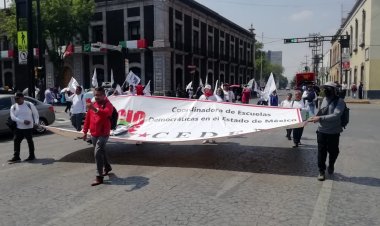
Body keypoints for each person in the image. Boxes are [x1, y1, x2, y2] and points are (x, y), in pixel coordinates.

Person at [308, 81, 345, 181]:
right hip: (321, 131)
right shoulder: (323, 99)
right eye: (325, 88)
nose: (325, 90)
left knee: (334, 151)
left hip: (333, 132)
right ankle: (321, 171)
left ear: (334, 90)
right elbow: (319, 112)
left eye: (328, 88)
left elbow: (336, 115)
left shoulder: (340, 101)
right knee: (321, 152)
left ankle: (331, 164)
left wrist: (320, 118)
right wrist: (314, 117)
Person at [83, 87, 114, 186]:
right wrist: (84, 131)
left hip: (104, 133)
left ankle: (99, 177)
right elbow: (87, 119)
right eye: (95, 95)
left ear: (104, 96)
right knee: (101, 151)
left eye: (99, 95)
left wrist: (94, 109)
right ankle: (107, 166)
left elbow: (106, 113)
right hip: (94, 133)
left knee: (97, 153)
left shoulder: (108, 104)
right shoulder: (93, 105)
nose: (97, 97)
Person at [8, 92, 39, 163]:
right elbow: (13, 117)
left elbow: (36, 114)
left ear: (23, 98)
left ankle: (31, 156)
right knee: (16, 141)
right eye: (15, 99)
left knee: (29, 141)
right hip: (18, 128)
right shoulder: (13, 107)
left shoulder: (29, 105)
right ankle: (16, 156)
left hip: (28, 128)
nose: (16, 100)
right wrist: (23, 121)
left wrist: (36, 123)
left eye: (17, 99)